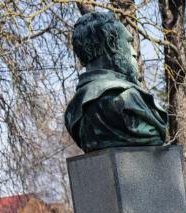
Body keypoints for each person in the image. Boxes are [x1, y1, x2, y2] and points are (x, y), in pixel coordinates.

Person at [65, 12, 168, 152]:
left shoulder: (73, 112)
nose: (134, 52)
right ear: (111, 45)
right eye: (128, 42)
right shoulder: (124, 98)